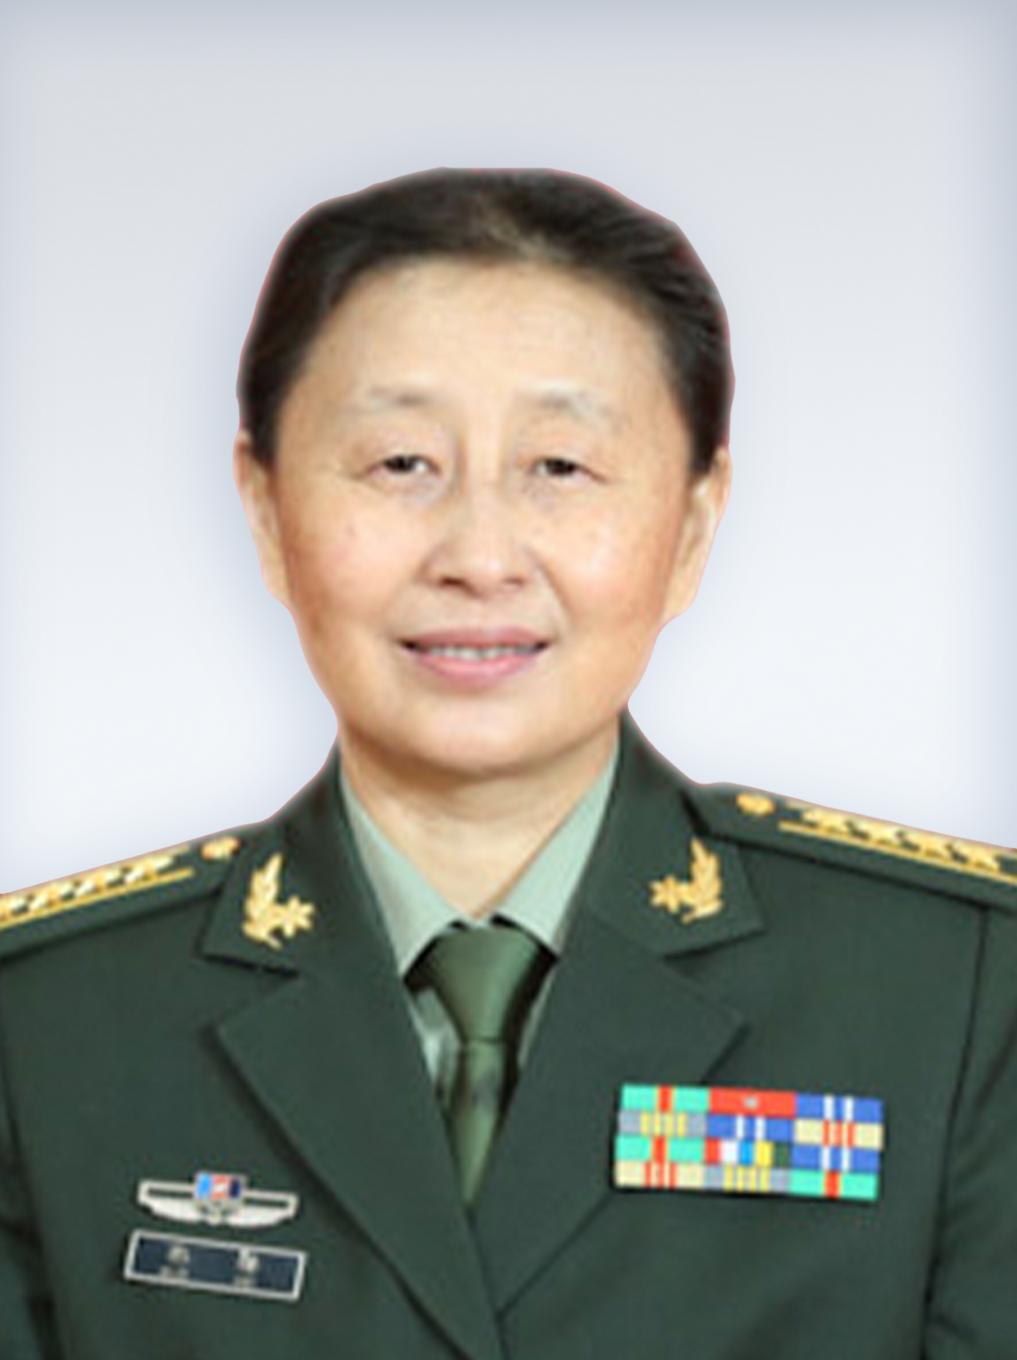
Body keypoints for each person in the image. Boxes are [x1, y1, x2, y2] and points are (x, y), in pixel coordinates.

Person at [1, 166, 1015, 1360]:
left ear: (692, 527)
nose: (480, 556)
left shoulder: (955, 991)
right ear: (267, 510)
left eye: (560, 467)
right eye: (401, 464)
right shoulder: (49, 1018)